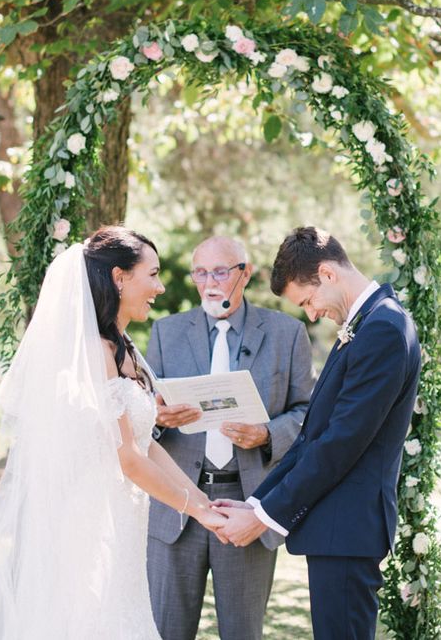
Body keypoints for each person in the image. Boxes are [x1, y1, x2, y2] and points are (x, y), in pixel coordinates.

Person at [0, 226, 226, 640]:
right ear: (119, 278)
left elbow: (146, 447)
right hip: (92, 521)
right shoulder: (95, 352)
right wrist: (194, 510)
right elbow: (127, 459)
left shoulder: (124, 345)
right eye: (153, 274)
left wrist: (204, 504)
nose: (160, 287)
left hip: (124, 521)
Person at [215, 226, 421, 640]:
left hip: (348, 529)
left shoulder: (383, 328)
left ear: (327, 274)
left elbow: (340, 444)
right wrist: (255, 501)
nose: (311, 313)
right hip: (336, 531)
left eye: (307, 301)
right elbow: (313, 435)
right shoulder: (366, 324)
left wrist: (262, 518)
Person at [145, 236, 314, 640]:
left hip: (247, 507)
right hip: (176, 508)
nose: (209, 282)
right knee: (164, 631)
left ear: (245, 273)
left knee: (243, 632)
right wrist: (160, 417)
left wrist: (266, 434)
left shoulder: (287, 333)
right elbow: (144, 413)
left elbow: (307, 412)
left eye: (220, 271)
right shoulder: (165, 332)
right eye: (200, 273)